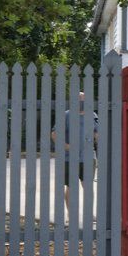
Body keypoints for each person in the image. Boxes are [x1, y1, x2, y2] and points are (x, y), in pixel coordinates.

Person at [51, 91, 99, 219]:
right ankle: (71, 214)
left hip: (88, 157)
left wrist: (96, 137)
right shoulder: (67, 115)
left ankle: (90, 213)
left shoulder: (92, 115)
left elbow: (97, 134)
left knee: (88, 186)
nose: (81, 102)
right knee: (71, 187)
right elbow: (55, 135)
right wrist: (67, 146)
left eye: (83, 99)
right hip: (69, 158)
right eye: (78, 100)